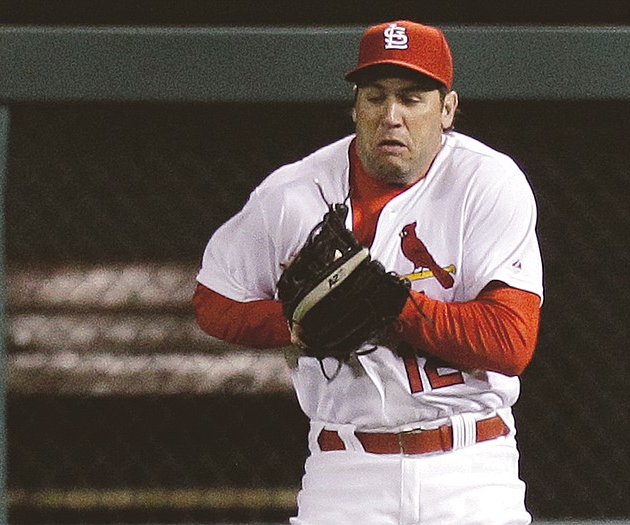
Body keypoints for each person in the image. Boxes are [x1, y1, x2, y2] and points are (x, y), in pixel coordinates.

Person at [193, 20, 543, 525]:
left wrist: (390, 305)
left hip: (470, 466)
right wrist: (290, 324)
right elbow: (213, 299)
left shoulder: (486, 182)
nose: (391, 116)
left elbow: (511, 343)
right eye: (375, 97)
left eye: (412, 98)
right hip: (345, 468)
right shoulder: (295, 193)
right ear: (355, 107)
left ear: (447, 109)